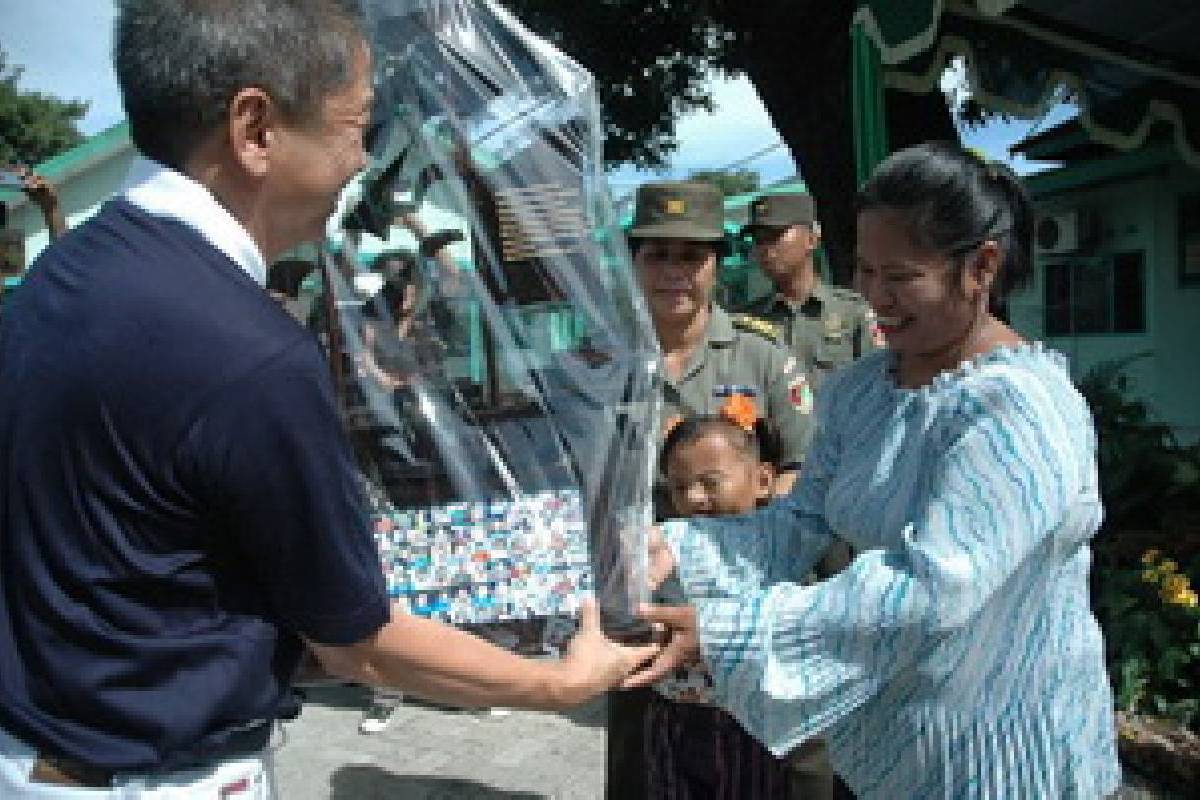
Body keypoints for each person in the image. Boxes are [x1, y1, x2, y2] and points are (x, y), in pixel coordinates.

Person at [0, 2, 656, 796]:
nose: (359, 163)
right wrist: (556, 682)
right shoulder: (246, 352)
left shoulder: (57, 285)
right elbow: (357, 645)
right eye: (355, 128)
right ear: (255, 129)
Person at [630, 142, 1121, 798]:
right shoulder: (866, 390)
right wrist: (672, 548)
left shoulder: (1016, 413)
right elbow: (801, 518)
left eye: (899, 275)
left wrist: (730, 632)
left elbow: (927, 589)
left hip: (995, 754)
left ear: (981, 267)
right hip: (883, 743)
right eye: (863, 270)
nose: (874, 296)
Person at [607, 180, 815, 799]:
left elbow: (803, 473)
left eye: (690, 256)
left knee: (775, 772)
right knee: (644, 770)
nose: (674, 271)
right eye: (657, 254)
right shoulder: (600, 366)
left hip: (748, 615)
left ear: (716, 264)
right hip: (642, 616)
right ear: (634, 262)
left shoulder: (761, 358)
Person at [646, 405, 790, 799]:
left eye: (710, 483)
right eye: (679, 486)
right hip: (673, 711)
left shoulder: (778, 542)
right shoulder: (666, 542)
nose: (694, 498)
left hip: (749, 718)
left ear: (762, 480)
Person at [738, 192, 882, 395]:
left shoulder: (854, 313)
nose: (766, 248)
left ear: (812, 240)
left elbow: (879, 387)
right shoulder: (744, 323)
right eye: (759, 240)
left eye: (775, 236)